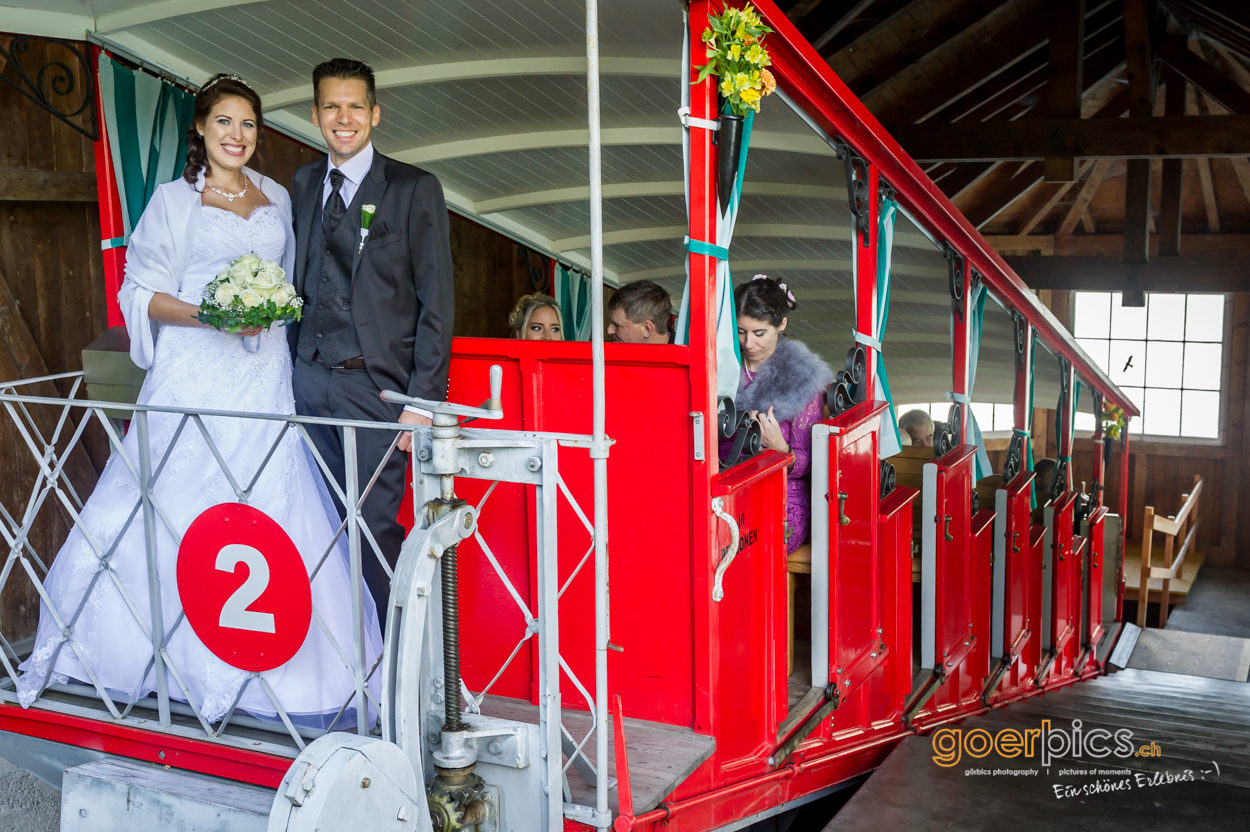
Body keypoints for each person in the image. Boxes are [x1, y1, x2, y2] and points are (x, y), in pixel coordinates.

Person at [17, 74, 381, 728]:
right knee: (173, 506)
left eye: (247, 124)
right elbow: (141, 294)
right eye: (223, 123)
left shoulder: (276, 195)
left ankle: (286, 670)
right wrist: (213, 316)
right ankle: (141, 660)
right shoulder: (173, 202)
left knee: (273, 504)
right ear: (201, 131)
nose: (236, 136)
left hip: (265, 375)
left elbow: (294, 281)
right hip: (195, 374)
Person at [290, 59, 455, 615]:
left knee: (373, 526)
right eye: (332, 107)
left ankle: (391, 672)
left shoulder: (414, 188)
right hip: (306, 381)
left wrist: (424, 400)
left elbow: (437, 298)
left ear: (375, 114)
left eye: (355, 106)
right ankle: (337, 667)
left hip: (376, 390)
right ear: (315, 114)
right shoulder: (304, 182)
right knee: (314, 521)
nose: (344, 118)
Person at [725, 275, 833, 555]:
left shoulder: (802, 376)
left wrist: (781, 450)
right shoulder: (722, 364)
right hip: (725, 492)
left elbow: (811, 462)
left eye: (759, 333)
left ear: (781, 325)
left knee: (742, 549)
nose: (748, 343)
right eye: (740, 331)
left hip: (783, 500)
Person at [607, 280, 671, 343]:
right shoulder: (604, 351)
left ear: (646, 329)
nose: (609, 331)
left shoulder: (680, 352)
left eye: (617, 325)